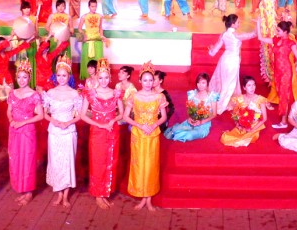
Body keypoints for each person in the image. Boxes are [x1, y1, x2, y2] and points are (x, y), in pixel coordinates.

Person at [123, 64, 168, 211]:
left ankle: (148, 199)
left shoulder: (159, 97)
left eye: (150, 80)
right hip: (138, 134)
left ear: (154, 81)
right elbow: (125, 116)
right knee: (139, 165)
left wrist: (154, 125)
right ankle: (142, 196)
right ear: (140, 81)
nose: (148, 83)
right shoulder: (134, 96)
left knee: (150, 166)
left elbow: (164, 117)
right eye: (145, 80)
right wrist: (141, 126)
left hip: (152, 135)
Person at [79, 59, 123, 210]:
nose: (103, 81)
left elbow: (122, 113)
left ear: (110, 78)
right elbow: (83, 115)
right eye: (101, 77)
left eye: (106, 77)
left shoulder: (115, 93)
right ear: (97, 78)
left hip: (112, 131)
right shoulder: (90, 94)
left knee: (111, 160)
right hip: (97, 132)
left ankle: (105, 193)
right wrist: (98, 124)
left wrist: (113, 120)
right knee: (98, 162)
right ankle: (98, 195)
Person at [256, 20, 297, 129]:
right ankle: (287, 118)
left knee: (284, 96)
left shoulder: (290, 43)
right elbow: (260, 38)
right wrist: (258, 23)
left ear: (285, 32)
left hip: (286, 72)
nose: (277, 32)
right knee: (280, 93)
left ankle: (284, 122)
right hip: (277, 72)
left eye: (279, 30)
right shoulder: (275, 40)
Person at [42, 55, 82, 208]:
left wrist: (68, 122)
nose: (61, 78)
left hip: (69, 131)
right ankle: (59, 193)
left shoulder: (75, 94)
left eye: (64, 75)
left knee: (67, 161)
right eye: (58, 75)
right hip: (54, 130)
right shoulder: (50, 92)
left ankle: (66, 195)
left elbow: (80, 115)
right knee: (56, 161)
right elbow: (45, 113)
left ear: (69, 76)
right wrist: (55, 121)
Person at [7, 59, 44, 206]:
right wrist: (11, 120)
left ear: (29, 78)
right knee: (15, 158)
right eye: (19, 77)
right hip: (14, 129)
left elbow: (40, 115)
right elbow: (9, 111)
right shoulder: (12, 93)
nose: (21, 80)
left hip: (27, 131)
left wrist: (23, 122)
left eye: (25, 77)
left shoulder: (34, 94)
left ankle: (28, 192)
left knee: (28, 159)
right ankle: (20, 187)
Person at [208, 14, 258, 113]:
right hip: (232, 61)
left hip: (224, 60)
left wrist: (210, 50)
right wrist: (258, 23)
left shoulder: (224, 34)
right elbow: (254, 34)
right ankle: (219, 106)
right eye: (238, 22)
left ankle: (225, 102)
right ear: (233, 24)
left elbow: (214, 51)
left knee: (225, 82)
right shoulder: (236, 35)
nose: (239, 23)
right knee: (229, 84)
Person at [164, 72, 219, 142]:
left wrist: (201, 122)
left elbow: (214, 114)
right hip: (192, 121)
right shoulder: (192, 94)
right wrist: (189, 118)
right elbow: (189, 110)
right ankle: (175, 133)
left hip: (203, 125)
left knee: (189, 135)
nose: (200, 85)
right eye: (198, 83)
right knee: (175, 129)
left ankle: (175, 135)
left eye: (203, 83)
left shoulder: (212, 96)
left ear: (207, 83)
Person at [220, 75, 267, 147]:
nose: (252, 87)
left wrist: (252, 129)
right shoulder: (240, 99)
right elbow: (235, 115)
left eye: (254, 85)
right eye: (249, 85)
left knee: (246, 139)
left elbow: (264, 119)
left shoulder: (260, 99)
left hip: (254, 127)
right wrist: (238, 125)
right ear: (244, 87)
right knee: (225, 138)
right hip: (243, 126)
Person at [75, 0, 106, 80]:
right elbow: (79, 29)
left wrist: (102, 36)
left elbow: (100, 28)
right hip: (87, 40)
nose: (94, 8)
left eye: (95, 6)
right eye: (92, 6)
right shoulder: (84, 16)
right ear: (89, 6)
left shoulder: (100, 16)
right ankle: (87, 77)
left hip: (97, 40)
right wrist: (84, 36)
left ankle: (98, 77)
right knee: (87, 58)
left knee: (98, 59)